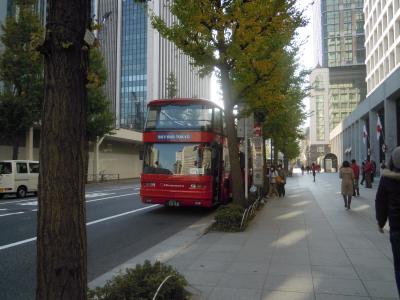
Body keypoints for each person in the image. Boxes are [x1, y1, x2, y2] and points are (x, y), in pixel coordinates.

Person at [375, 146, 400, 297]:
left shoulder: (387, 178)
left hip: (397, 229)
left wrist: (381, 221)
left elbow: (380, 202)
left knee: (399, 266)